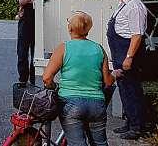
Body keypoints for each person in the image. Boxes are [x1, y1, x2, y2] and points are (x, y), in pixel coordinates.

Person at [42, 11, 114, 146]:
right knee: (100, 143)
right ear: (88, 29)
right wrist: (116, 74)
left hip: (70, 103)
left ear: (70, 28)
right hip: (96, 104)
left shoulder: (64, 48)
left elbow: (46, 78)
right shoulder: (99, 49)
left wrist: (54, 87)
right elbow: (108, 81)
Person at [107, 0, 148, 140]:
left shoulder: (134, 7)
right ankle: (130, 122)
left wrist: (129, 57)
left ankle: (137, 126)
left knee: (132, 90)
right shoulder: (124, 5)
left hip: (127, 53)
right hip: (119, 52)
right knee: (124, 89)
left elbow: (137, 35)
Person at [16, 0, 63, 83]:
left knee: (35, 53)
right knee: (22, 53)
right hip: (25, 25)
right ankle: (22, 79)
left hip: (38, 24)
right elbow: (21, 1)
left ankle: (33, 79)